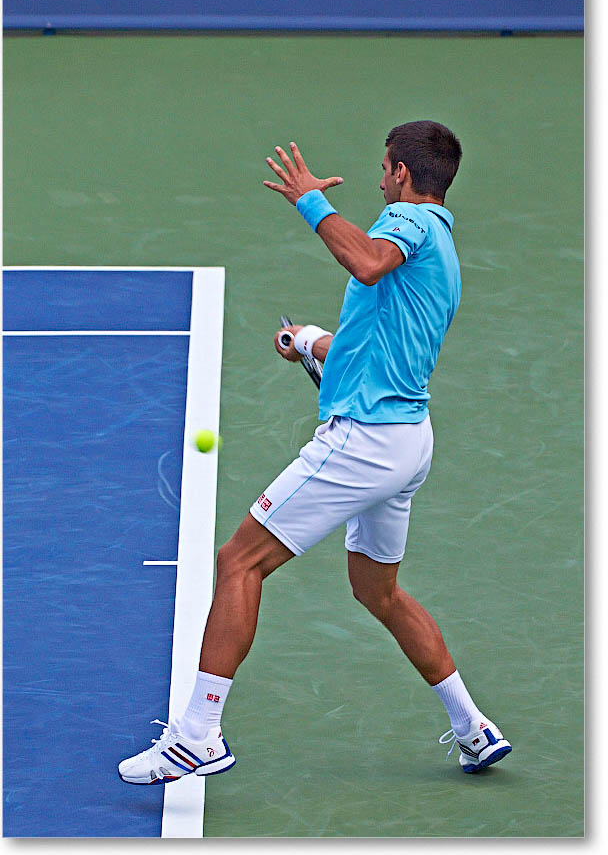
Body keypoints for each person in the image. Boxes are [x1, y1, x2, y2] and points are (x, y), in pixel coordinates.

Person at [119, 121, 511, 786]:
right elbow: (375, 345)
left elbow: (365, 261)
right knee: (377, 591)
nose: (379, 178)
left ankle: (196, 735)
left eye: (385, 169)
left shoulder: (406, 226)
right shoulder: (440, 250)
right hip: (408, 441)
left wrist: (309, 199)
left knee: (239, 560)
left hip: (364, 443)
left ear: (403, 177)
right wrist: (307, 342)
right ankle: (472, 726)